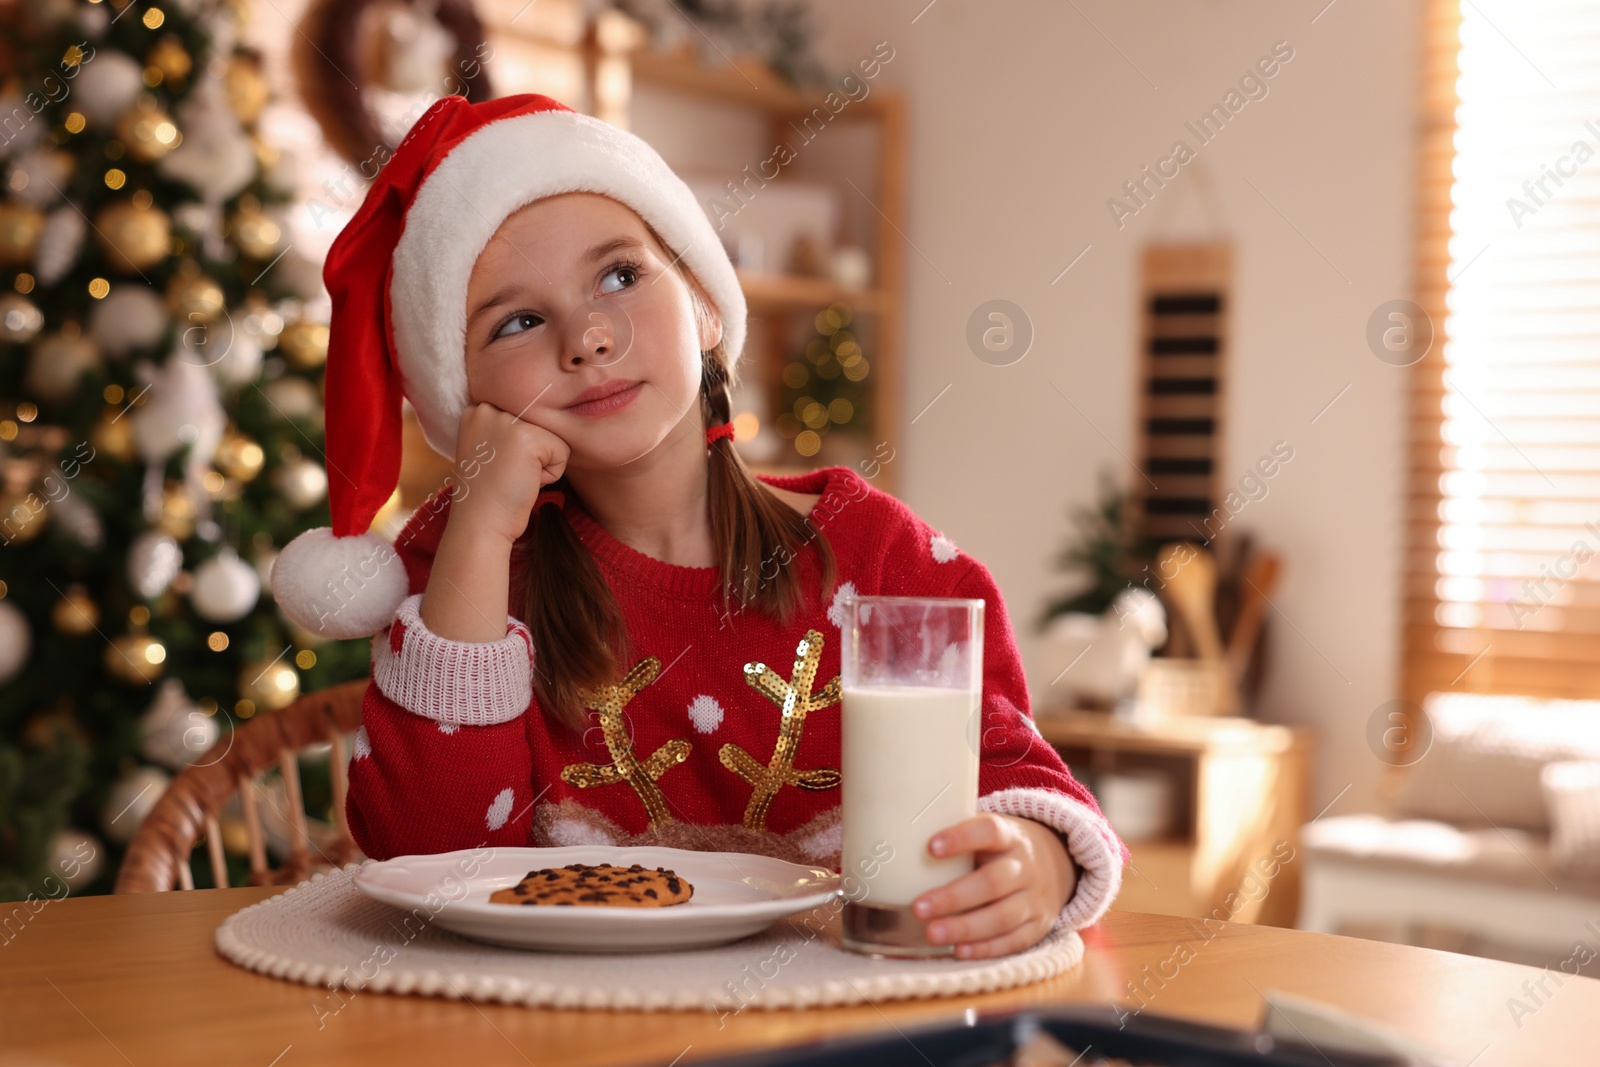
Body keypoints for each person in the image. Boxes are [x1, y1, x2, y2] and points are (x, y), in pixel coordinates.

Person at [274, 93, 1127, 960]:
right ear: (467, 401)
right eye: (518, 321)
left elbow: (1021, 783)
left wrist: (1041, 860)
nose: (589, 337)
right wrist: (481, 532)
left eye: (619, 275)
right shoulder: (461, 572)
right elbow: (428, 863)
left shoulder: (888, 563)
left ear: (705, 305)